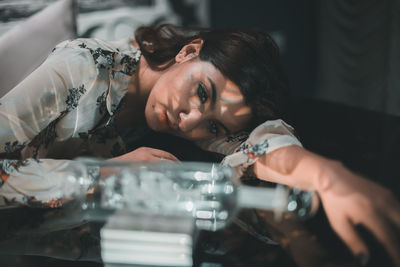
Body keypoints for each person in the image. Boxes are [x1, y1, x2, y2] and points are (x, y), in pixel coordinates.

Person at [0, 24, 398, 266]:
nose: (189, 120)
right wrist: (106, 173)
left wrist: (325, 175)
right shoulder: (85, 65)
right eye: (201, 93)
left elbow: (256, 145)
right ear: (189, 51)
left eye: (211, 126)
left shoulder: (187, 125)